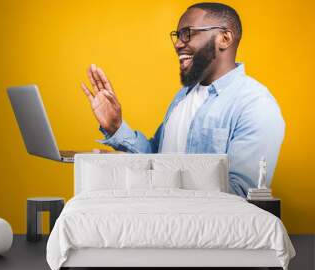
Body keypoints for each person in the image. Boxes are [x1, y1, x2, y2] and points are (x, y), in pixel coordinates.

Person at [80, 2, 285, 197]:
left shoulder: (255, 104)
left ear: (224, 38)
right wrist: (116, 127)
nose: (178, 44)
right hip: (164, 221)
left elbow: (239, 192)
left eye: (188, 33)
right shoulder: (183, 97)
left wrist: (144, 177)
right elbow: (158, 156)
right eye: (177, 36)